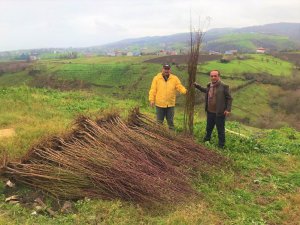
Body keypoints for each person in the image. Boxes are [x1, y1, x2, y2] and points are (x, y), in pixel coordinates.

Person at [194, 70, 232, 148]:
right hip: (210, 112)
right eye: (212, 76)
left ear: (219, 76)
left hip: (219, 112)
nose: (213, 77)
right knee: (209, 127)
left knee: (220, 129)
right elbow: (205, 90)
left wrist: (228, 109)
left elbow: (229, 98)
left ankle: (221, 145)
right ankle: (207, 140)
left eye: (215, 76)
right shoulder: (209, 85)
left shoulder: (224, 86)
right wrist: (197, 86)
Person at [149, 64, 187, 130]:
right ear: (162, 69)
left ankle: (171, 136)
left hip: (170, 104)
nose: (166, 70)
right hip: (160, 104)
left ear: (170, 70)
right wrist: (152, 100)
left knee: (170, 122)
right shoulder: (157, 78)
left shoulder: (174, 78)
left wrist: (185, 91)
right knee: (159, 122)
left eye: (168, 69)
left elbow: (179, 86)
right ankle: (159, 135)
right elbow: (153, 89)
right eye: (165, 69)